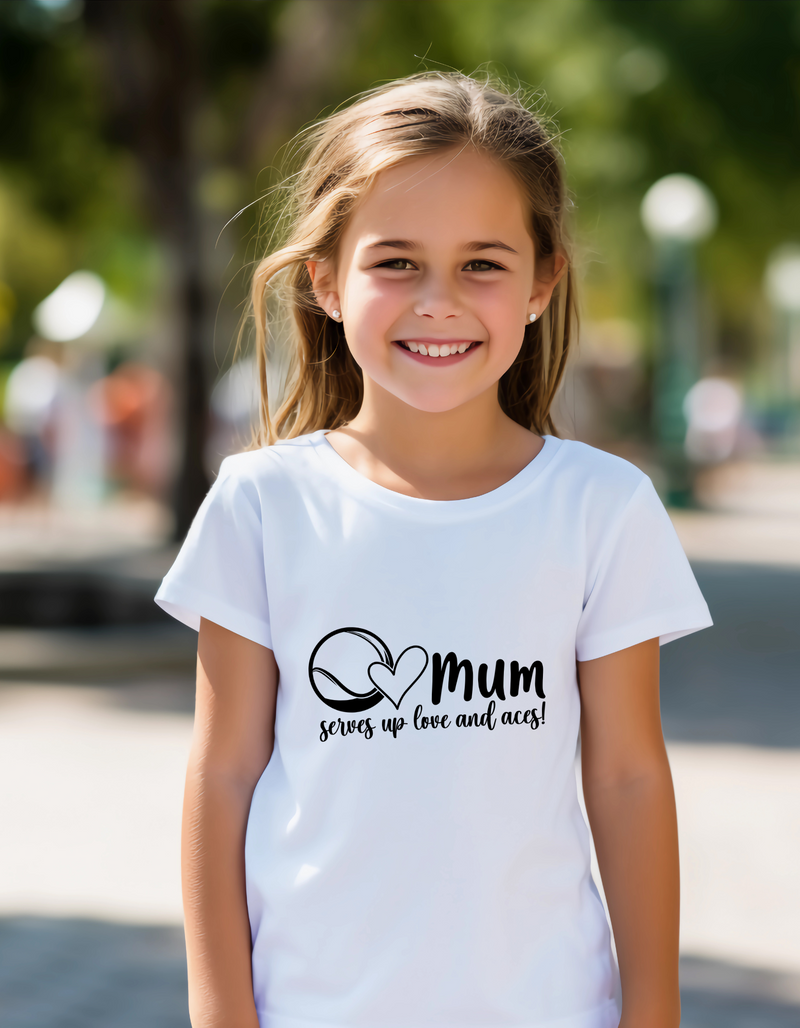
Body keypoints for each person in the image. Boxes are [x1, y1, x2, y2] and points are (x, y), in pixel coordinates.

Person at [156, 72, 712, 1028]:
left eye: (482, 264)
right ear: (326, 281)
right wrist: (222, 1015)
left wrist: (652, 1009)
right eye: (397, 262)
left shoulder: (602, 508)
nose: (439, 301)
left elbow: (627, 776)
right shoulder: (261, 505)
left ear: (542, 284)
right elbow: (224, 773)